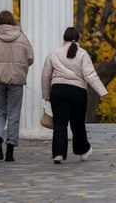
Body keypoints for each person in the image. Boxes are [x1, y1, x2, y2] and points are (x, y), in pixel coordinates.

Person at [41, 27, 108, 165]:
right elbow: (90, 75)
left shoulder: (54, 53)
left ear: (64, 38)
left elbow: (46, 75)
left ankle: (58, 154)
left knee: (60, 124)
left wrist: (46, 94)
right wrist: (102, 91)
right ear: (77, 39)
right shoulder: (83, 54)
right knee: (77, 124)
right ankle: (83, 151)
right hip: (78, 93)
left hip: (58, 91)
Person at [0, 10, 34, 163]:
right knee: (14, 114)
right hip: (16, 80)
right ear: (12, 21)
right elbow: (30, 58)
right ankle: (10, 150)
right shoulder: (22, 38)